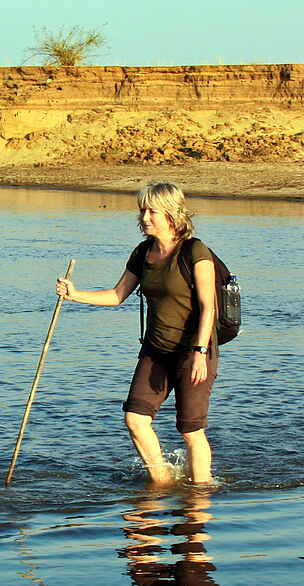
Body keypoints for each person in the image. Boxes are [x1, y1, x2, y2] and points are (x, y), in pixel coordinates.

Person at [55, 181, 219, 484]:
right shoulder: (143, 252)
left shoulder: (195, 251)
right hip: (156, 350)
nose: (144, 217)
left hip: (192, 351)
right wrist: (75, 294)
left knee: (191, 430)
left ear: (171, 214)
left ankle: (200, 500)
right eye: (142, 210)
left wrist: (201, 353)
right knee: (135, 418)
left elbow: (209, 307)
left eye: (151, 211)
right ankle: (162, 483)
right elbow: (118, 295)